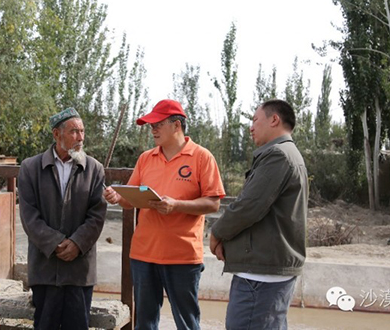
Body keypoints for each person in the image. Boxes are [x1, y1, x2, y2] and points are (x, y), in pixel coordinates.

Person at [103, 99, 225, 330]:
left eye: (158, 124)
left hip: (182, 256)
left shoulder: (202, 157)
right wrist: (117, 197)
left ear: (177, 125)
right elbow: (129, 201)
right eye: (151, 126)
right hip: (143, 254)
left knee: (187, 323)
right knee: (144, 323)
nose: (153, 130)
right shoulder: (146, 158)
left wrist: (176, 205)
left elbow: (213, 203)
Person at [209, 99, 308, 330]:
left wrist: (217, 233)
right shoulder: (287, 154)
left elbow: (249, 206)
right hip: (266, 271)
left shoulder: (278, 155)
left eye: (255, 120)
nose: (251, 128)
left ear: (274, 120)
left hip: (260, 278)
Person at [18, 107, 107, 329]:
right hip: (45, 267)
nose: (80, 137)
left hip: (79, 269)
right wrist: (56, 242)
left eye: (82, 131)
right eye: (74, 131)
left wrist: (77, 243)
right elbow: (29, 215)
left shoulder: (94, 169)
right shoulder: (30, 168)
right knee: (45, 324)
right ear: (57, 134)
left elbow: (97, 214)